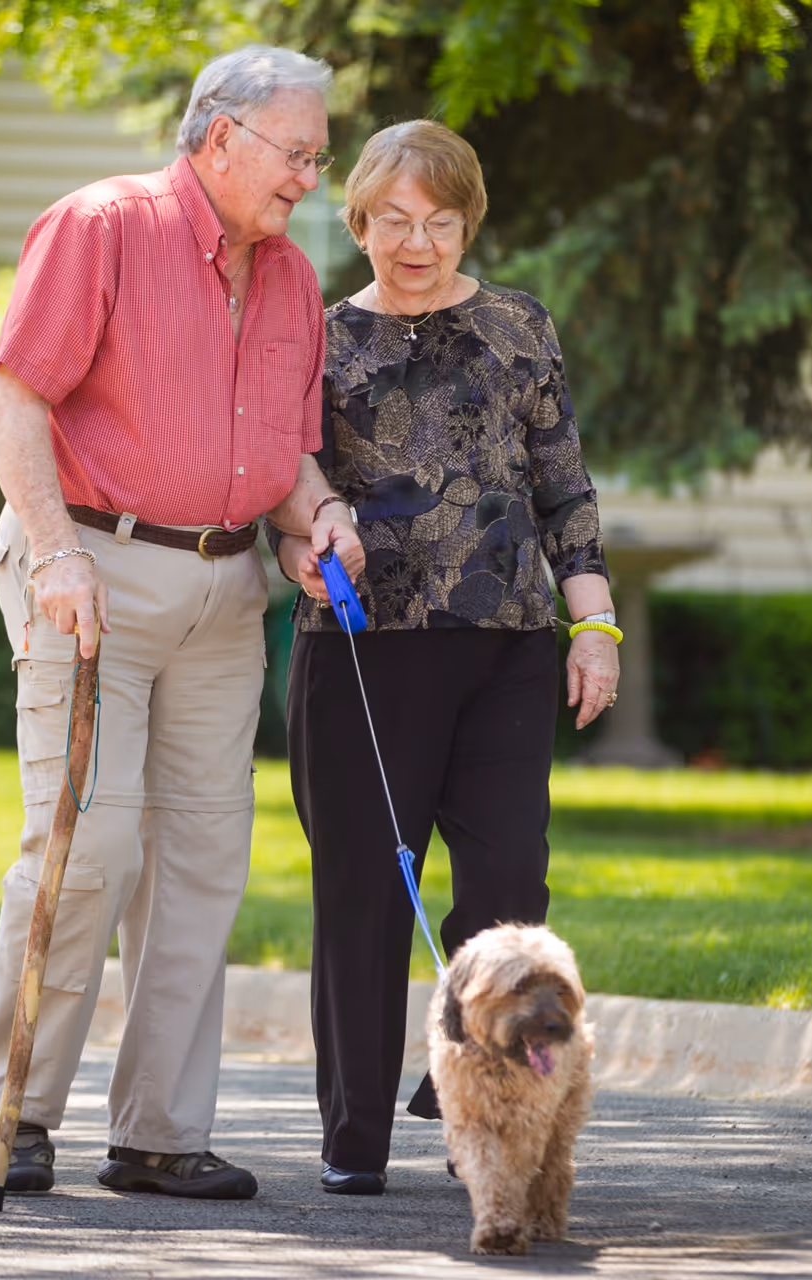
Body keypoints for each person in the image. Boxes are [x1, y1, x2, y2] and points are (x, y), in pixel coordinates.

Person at [0, 44, 363, 1201]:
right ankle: (17, 1108)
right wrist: (52, 550)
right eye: (297, 154)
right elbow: (17, 395)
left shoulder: (290, 277)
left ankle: (158, 1130)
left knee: (201, 863)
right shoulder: (102, 225)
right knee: (86, 845)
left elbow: (283, 455)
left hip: (226, 592)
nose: (308, 179)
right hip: (92, 568)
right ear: (220, 133)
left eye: (318, 159)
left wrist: (320, 514)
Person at [269, 119, 622, 1197]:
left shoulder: (519, 325)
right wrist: (298, 546)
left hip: (510, 643)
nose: (417, 243)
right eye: (393, 221)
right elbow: (276, 482)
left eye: (440, 221)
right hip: (366, 649)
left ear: (468, 221)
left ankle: (467, 1066)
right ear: (360, 221)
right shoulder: (317, 339)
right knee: (366, 893)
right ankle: (353, 1134)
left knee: (511, 872)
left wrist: (593, 618)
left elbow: (563, 480)